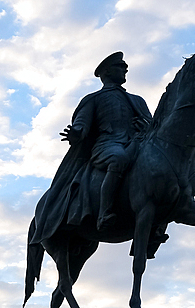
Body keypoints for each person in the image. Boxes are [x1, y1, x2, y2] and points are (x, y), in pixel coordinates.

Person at [62, 52, 152, 232]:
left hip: (136, 144)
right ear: (107, 72)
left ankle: (156, 229)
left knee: (160, 167)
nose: (125, 69)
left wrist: (147, 127)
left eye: (125, 66)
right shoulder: (93, 99)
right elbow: (82, 124)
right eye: (120, 66)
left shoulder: (137, 100)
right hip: (107, 145)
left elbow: (153, 125)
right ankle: (104, 213)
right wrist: (76, 133)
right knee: (118, 158)